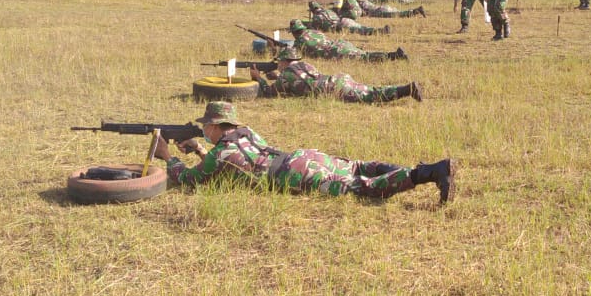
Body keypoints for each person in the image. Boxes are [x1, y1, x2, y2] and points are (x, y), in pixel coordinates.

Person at [156, 101, 453, 203]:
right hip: (301, 157)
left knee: (359, 189)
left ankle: (426, 173)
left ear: (216, 126)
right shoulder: (246, 133)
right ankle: (419, 168)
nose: (203, 129)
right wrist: (198, 148)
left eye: (206, 125)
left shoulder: (219, 155)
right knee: (358, 168)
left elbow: (190, 180)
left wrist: (168, 156)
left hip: (294, 175)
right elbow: (229, 160)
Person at [252, 47, 421, 103]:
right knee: (371, 90)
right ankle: (405, 89)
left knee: (370, 96)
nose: (278, 64)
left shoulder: (284, 77)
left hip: (333, 89)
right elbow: (301, 80)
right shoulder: (305, 64)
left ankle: (407, 90)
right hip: (337, 80)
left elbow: (269, 93)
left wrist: (258, 78)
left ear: (284, 61)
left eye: (280, 62)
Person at [286, 18, 407, 60]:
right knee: (364, 54)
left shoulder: (299, 42)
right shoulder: (313, 31)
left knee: (366, 58)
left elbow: (292, 54)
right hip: (341, 44)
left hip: (336, 52)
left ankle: (394, 56)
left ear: (294, 32)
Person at [306, 0, 389, 36]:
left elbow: (316, 29)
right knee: (363, 28)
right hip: (345, 20)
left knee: (362, 31)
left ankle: (380, 31)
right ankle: (379, 30)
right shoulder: (328, 11)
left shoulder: (317, 17)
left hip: (342, 26)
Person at [354, 0, 426, 18]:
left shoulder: (360, 5)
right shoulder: (366, 2)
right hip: (383, 8)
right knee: (399, 12)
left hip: (380, 11)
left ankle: (415, 11)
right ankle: (415, 10)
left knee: (399, 14)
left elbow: (362, 13)